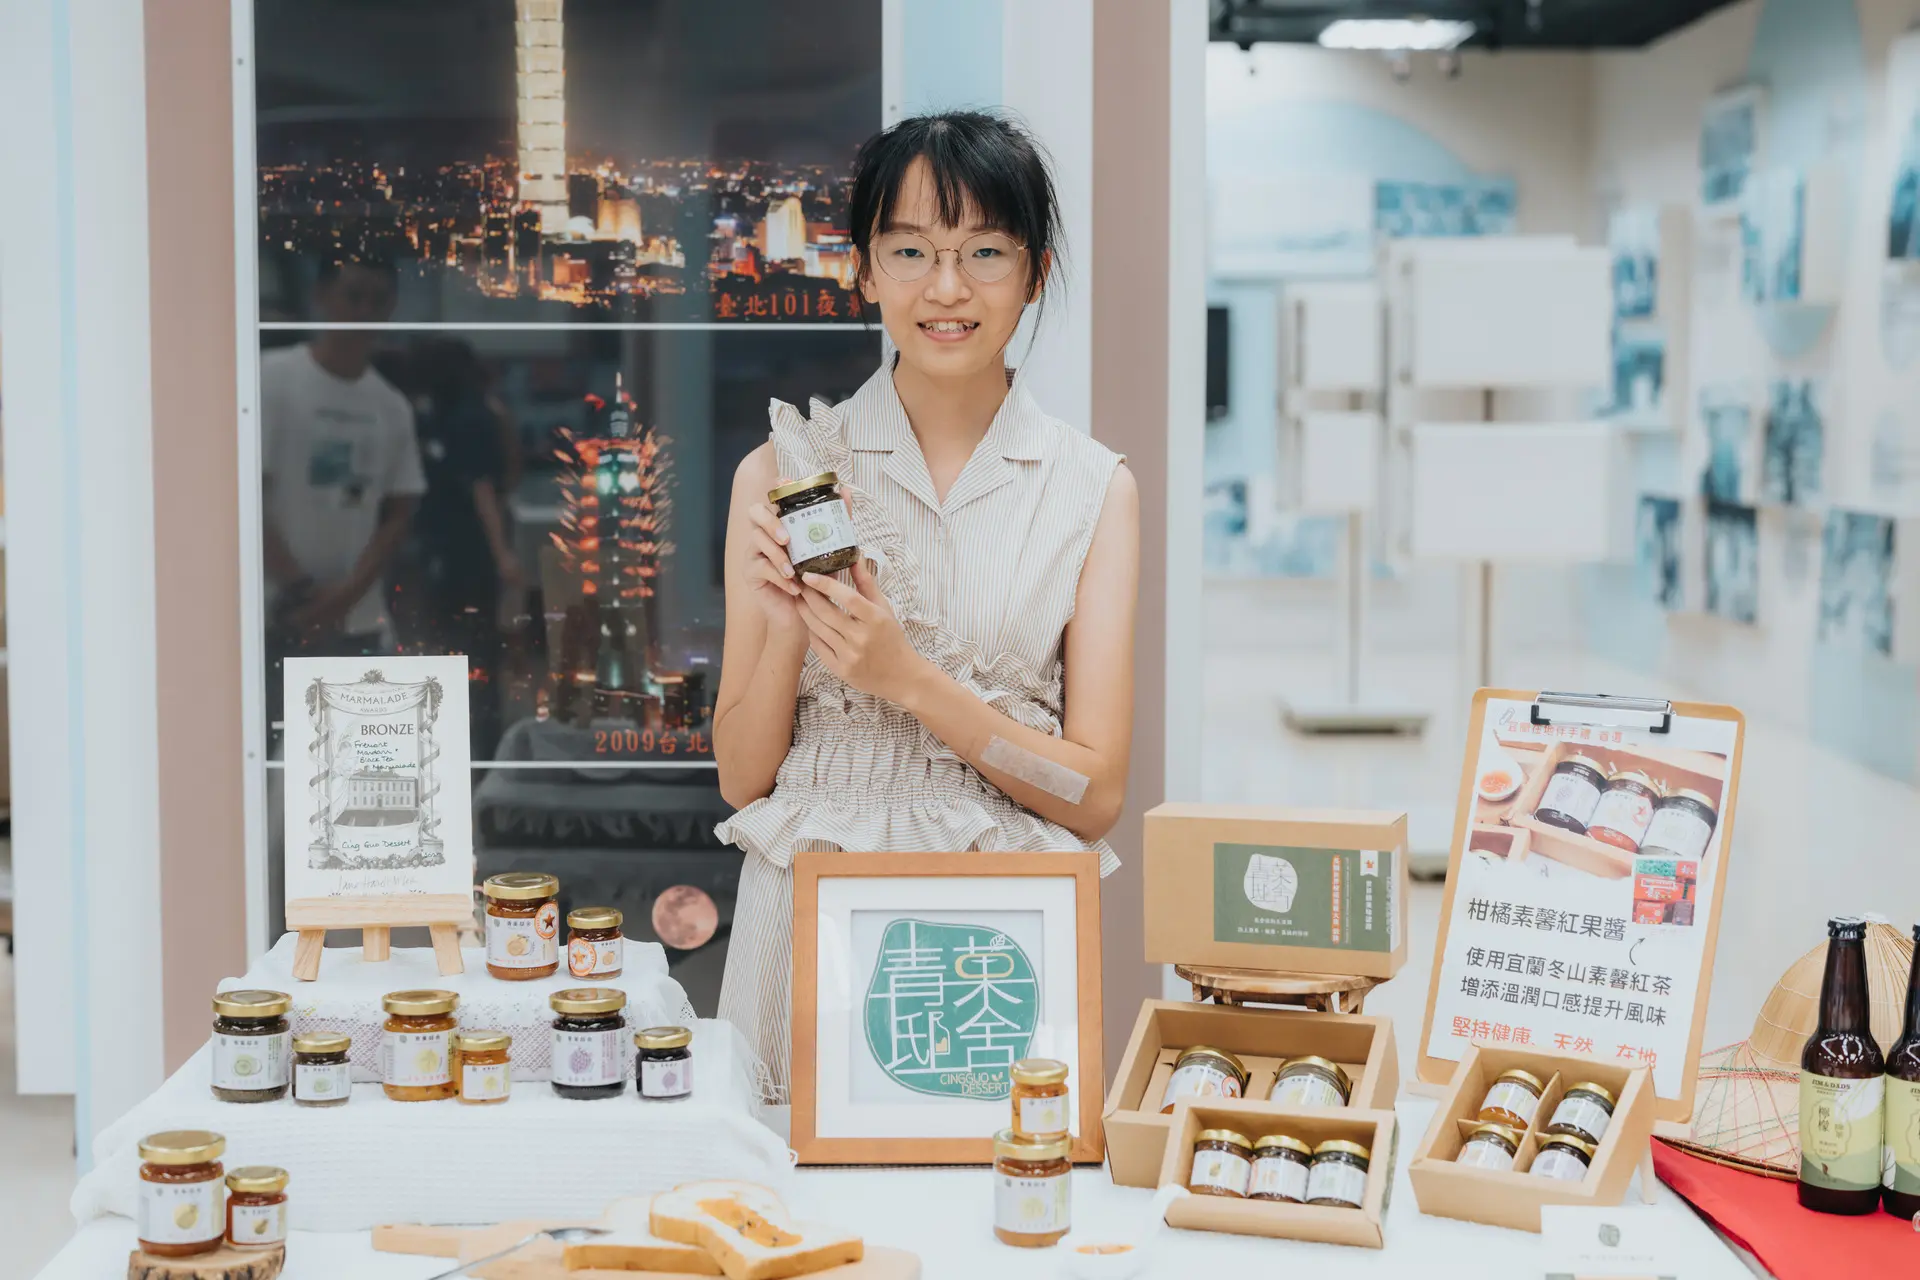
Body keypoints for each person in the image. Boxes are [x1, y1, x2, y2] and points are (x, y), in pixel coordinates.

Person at [712, 111, 1140, 1096]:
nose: (947, 288)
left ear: (1035, 271)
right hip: (805, 900)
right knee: (794, 1222)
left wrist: (906, 680)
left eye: (984, 250)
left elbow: (1097, 791)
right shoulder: (783, 471)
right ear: (864, 268)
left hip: (997, 922)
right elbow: (743, 777)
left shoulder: (1090, 488)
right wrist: (787, 627)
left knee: (992, 1212)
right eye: (910, 250)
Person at [261, 257, 425, 662]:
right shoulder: (271, 380)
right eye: (353, 297)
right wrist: (302, 591)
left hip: (359, 622)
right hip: (274, 615)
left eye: (378, 301)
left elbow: (399, 512)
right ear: (323, 297)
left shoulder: (391, 406)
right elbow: (242, 496)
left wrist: (346, 595)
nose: (363, 312)